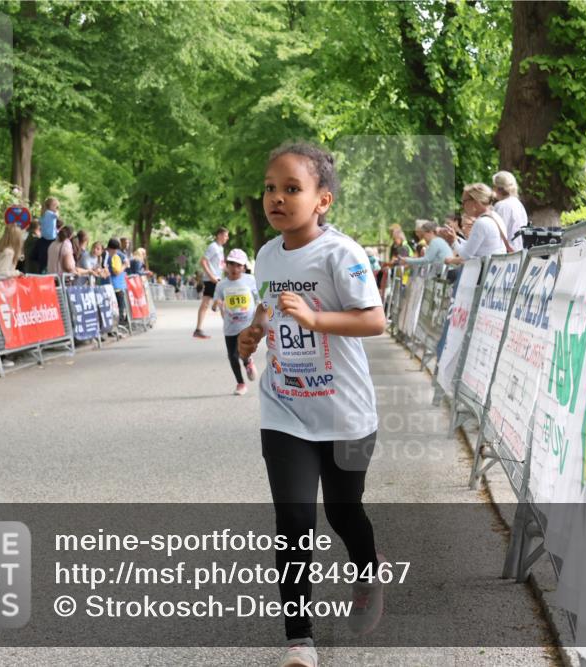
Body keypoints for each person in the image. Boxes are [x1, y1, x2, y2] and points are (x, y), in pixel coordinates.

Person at [237, 143, 387, 667]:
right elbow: (267, 307)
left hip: (344, 411)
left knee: (345, 514)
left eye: (291, 189)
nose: (276, 198)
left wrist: (317, 320)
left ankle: (367, 571)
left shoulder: (340, 254)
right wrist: (254, 333)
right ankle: (299, 642)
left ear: (322, 200)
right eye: (270, 188)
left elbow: (374, 321)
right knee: (294, 519)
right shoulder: (265, 254)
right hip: (285, 408)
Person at [213, 248, 259, 396]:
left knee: (242, 351)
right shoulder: (221, 285)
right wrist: (218, 304)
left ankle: (247, 361)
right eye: (232, 264)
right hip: (230, 326)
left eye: (239, 265)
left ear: (244, 267)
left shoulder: (250, 280)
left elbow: (260, 297)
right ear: (227, 265)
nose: (235, 268)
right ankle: (240, 383)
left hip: (247, 323)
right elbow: (215, 302)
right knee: (232, 356)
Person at [445, 183, 511, 265]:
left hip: (485, 273)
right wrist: (456, 238)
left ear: (475, 202)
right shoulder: (495, 216)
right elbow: (476, 247)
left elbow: (465, 256)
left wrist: (454, 242)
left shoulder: (481, 222)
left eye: (464, 201)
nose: (462, 206)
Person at [192, 227, 229, 339]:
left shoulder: (220, 248)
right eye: (226, 235)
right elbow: (203, 261)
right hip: (212, 279)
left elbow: (221, 265)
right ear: (219, 235)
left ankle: (198, 329)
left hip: (217, 279)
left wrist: (234, 271)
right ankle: (231, 330)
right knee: (221, 303)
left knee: (208, 303)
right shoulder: (213, 247)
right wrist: (212, 276)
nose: (227, 238)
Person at [492, 170, 529, 251]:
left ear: (498, 188)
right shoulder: (518, 204)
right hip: (518, 251)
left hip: (505, 253)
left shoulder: (501, 206)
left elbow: (496, 234)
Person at [103, 237, 128, 317]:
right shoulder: (110, 255)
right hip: (114, 285)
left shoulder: (106, 253)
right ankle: (119, 321)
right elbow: (116, 271)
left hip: (110, 284)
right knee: (118, 305)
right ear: (113, 249)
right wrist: (124, 266)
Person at [35, 197, 59, 271]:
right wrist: (57, 211)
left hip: (44, 236)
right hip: (51, 237)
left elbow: (40, 221)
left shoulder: (44, 213)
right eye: (55, 206)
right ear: (51, 206)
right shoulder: (50, 213)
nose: (56, 208)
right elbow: (57, 216)